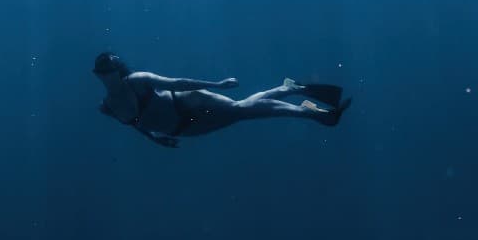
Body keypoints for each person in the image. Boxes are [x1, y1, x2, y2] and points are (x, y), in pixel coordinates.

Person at [92, 52, 351, 148]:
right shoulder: (107, 107)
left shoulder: (137, 80)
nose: (106, 76)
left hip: (185, 102)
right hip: (182, 127)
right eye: (102, 73)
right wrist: (155, 139)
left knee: (241, 110)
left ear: (117, 70)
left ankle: (316, 115)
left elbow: (177, 83)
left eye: (109, 70)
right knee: (243, 109)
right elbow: (136, 124)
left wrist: (216, 85)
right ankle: (290, 89)